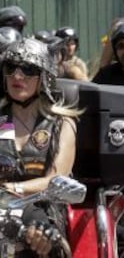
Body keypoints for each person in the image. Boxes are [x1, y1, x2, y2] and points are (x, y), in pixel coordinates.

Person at [0, 38, 82, 257]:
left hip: (43, 211)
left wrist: (14, 191)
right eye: (11, 68)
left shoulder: (61, 123)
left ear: (44, 77)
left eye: (28, 69)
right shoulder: (0, 119)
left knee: (40, 236)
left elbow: (55, 179)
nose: (17, 76)